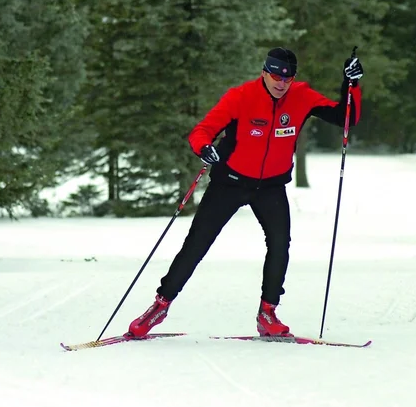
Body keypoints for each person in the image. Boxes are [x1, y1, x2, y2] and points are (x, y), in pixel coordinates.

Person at [127, 47, 364, 337]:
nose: (281, 83)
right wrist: (204, 148)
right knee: (197, 244)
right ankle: (160, 305)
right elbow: (202, 131)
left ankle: (268, 313)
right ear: (264, 72)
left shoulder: (301, 96)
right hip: (230, 181)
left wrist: (350, 83)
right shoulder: (240, 97)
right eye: (276, 76)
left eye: (287, 79)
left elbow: (347, 118)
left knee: (280, 244)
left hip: (271, 186)